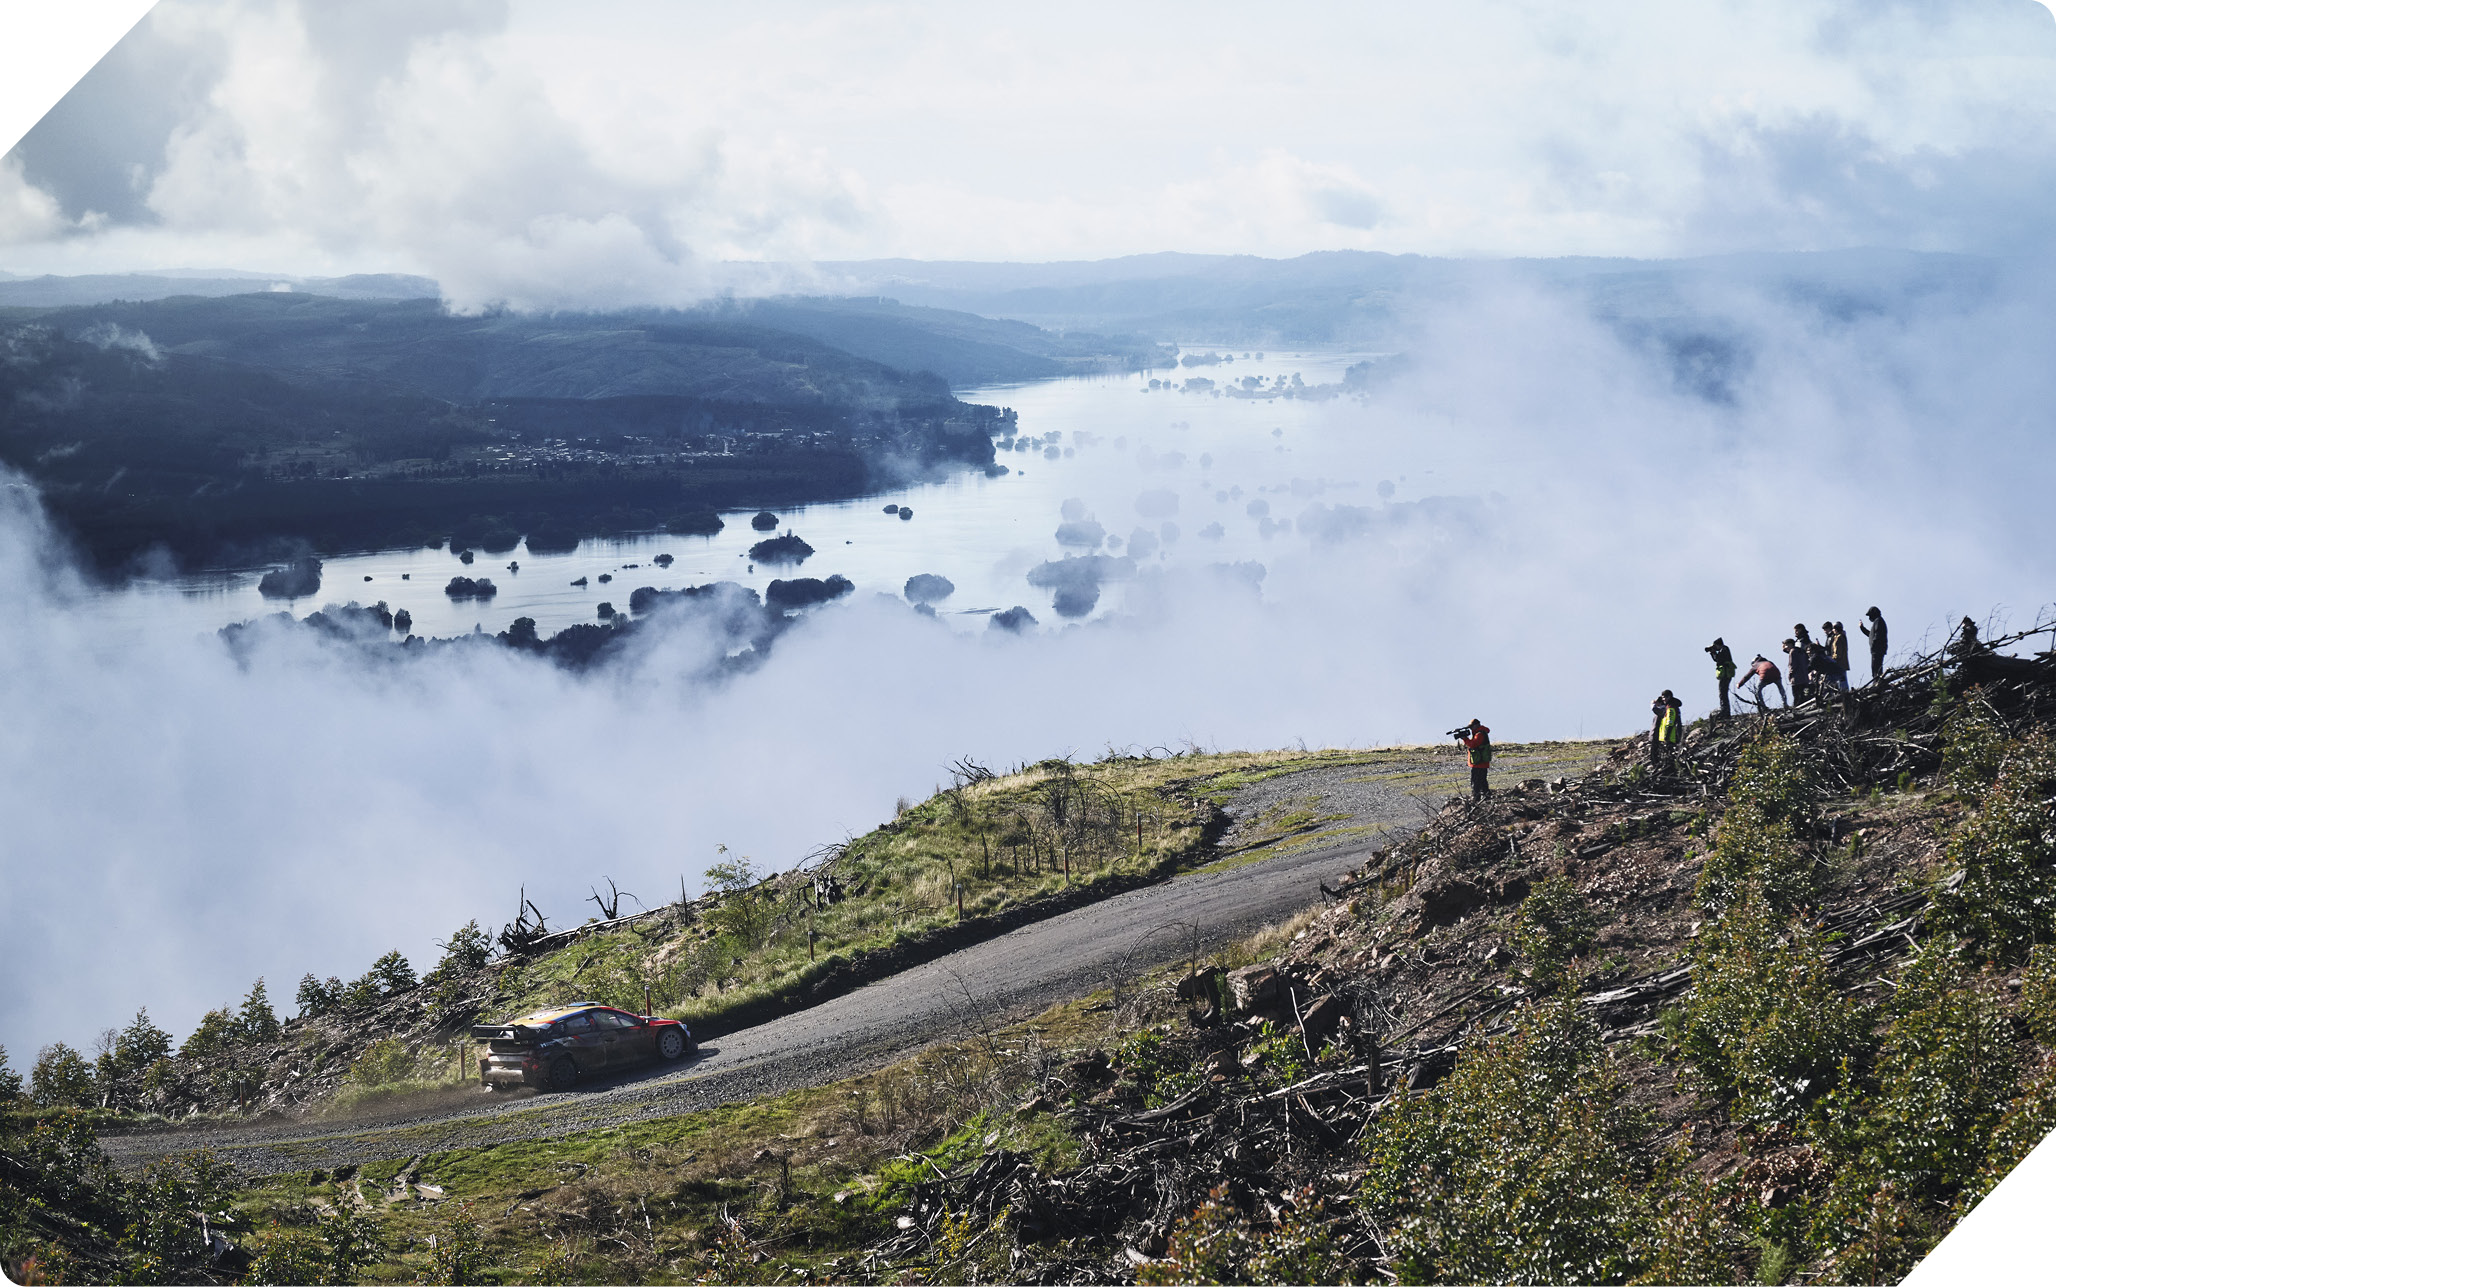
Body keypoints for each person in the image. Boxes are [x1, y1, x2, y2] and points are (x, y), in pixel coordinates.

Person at [1453, 718, 1494, 799]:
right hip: (1482, 762)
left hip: (1478, 763)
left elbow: (1473, 744)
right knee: (1482, 782)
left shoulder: (1479, 734)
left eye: (1471, 727)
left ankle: (1476, 799)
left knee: (1476, 783)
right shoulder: (1481, 732)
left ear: (1476, 725)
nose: (1471, 729)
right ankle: (1487, 797)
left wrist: (1465, 738)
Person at [1704, 638, 1736, 718]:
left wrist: (1713, 652)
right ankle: (1725, 711)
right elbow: (1717, 659)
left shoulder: (1724, 649)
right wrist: (1713, 652)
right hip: (1725, 674)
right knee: (1723, 693)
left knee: (1723, 693)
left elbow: (1718, 659)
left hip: (1725, 674)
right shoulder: (1724, 649)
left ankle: (1725, 711)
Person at [1650, 690, 1683, 762]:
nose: (1663, 699)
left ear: (1669, 697)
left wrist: (1666, 736)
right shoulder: (1669, 707)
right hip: (1670, 736)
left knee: (1670, 757)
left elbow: (1670, 723)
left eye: (1665, 697)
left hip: (1671, 737)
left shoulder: (1671, 708)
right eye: (1662, 698)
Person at [1783, 636, 1813, 705]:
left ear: (1791, 644)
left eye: (1786, 645)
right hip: (1804, 677)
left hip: (1796, 678)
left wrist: (1790, 675)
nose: (1785, 647)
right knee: (1804, 696)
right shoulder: (1801, 651)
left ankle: (1796, 710)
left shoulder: (1792, 652)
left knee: (1796, 696)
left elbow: (1792, 665)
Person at [1864, 607, 1889, 683]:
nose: (1869, 618)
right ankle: (1876, 682)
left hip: (1877, 650)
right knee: (1875, 669)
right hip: (1876, 650)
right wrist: (1862, 628)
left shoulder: (1879, 621)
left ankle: (1877, 683)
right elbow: (1871, 635)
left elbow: (1878, 635)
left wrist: (1874, 645)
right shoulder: (1877, 622)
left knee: (1876, 669)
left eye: (1870, 615)